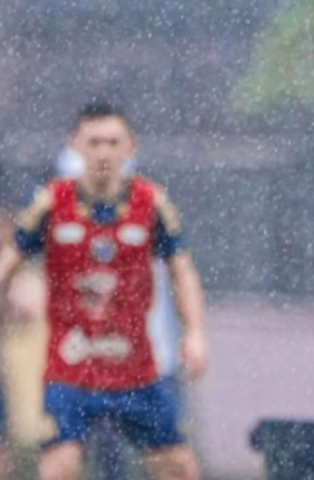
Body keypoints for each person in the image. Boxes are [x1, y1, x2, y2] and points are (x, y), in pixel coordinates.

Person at [0, 101, 208, 480]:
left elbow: (182, 270)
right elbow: (10, 260)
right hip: (70, 368)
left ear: (130, 146)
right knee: (60, 466)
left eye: (112, 142)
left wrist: (194, 333)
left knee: (178, 466)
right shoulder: (51, 203)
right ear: (76, 145)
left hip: (136, 370)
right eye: (94, 142)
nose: (103, 153)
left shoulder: (152, 203)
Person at [55, 141, 186, 480]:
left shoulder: (146, 210)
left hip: (144, 361)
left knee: (163, 454)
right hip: (80, 364)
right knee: (77, 455)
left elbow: (179, 273)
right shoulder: (59, 215)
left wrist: (189, 336)